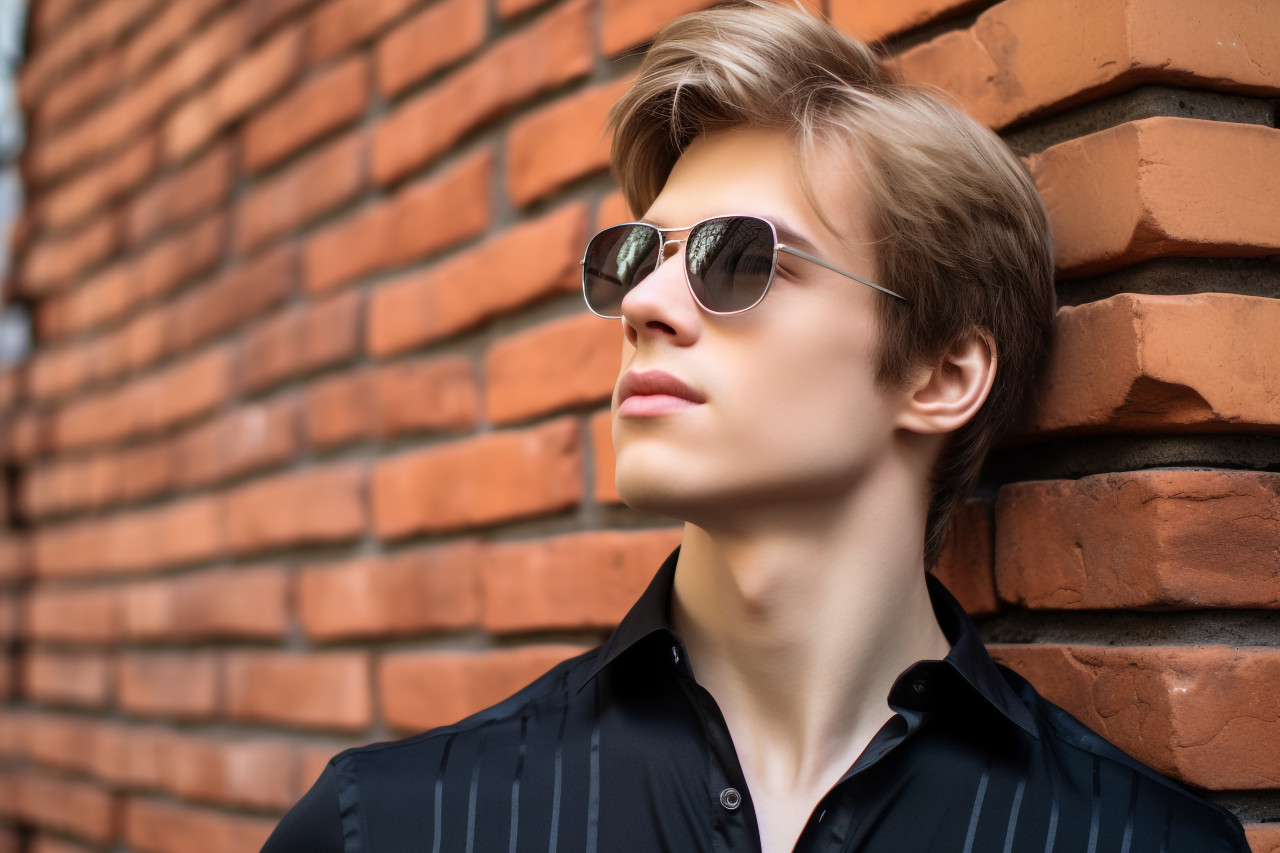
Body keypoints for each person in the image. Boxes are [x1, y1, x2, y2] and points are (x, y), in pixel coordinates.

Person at [261, 2, 1251, 851]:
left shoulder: (1135, 841)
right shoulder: (387, 825)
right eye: (635, 255)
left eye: (738, 261)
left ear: (940, 374)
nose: (643, 302)